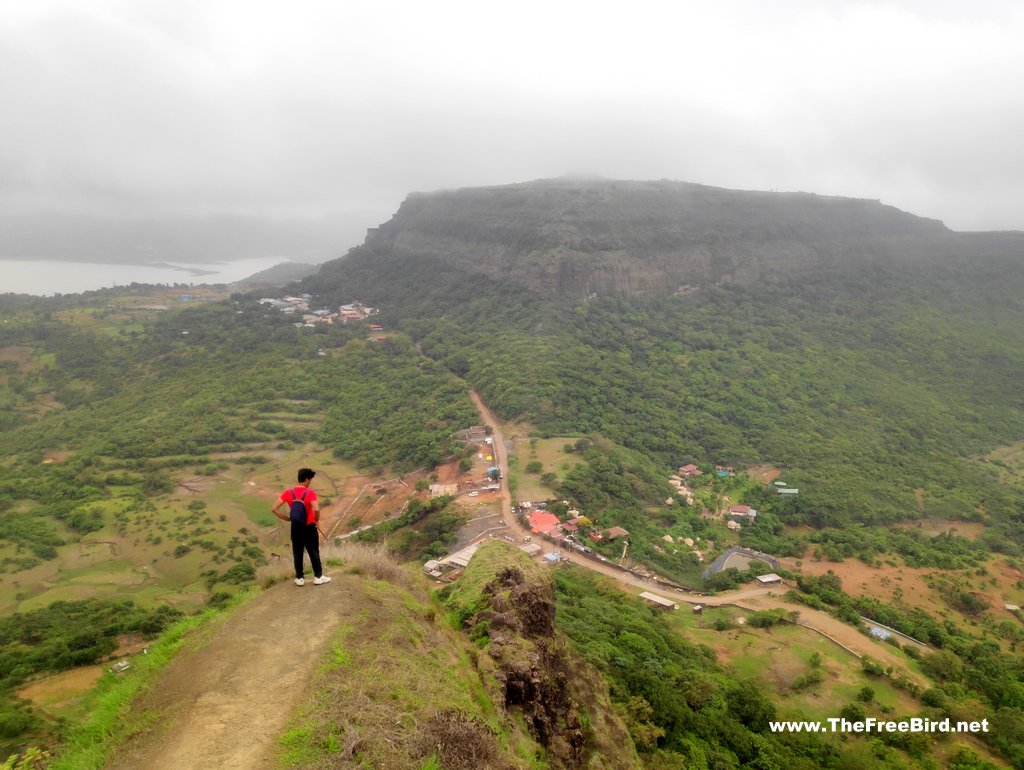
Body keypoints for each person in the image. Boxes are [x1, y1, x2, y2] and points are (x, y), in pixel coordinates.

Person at [272, 468, 331, 586]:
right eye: (310, 479)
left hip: (295, 527)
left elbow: (274, 508)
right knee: (313, 551)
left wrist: (288, 519)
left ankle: (299, 578)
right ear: (307, 479)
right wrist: (316, 521)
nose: (310, 482)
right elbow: (316, 509)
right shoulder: (310, 493)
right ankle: (318, 577)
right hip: (309, 527)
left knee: (297, 552)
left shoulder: (288, 492)